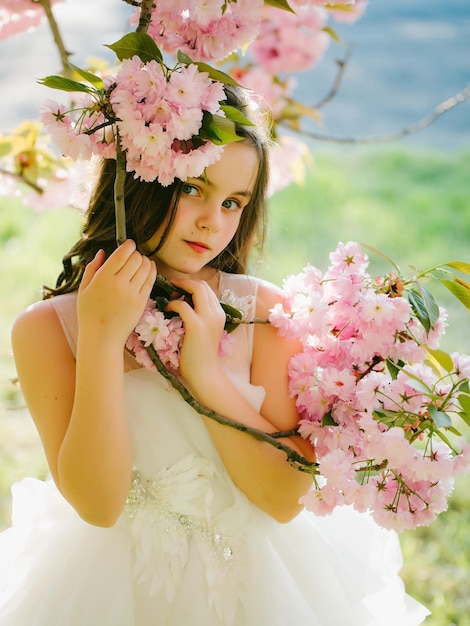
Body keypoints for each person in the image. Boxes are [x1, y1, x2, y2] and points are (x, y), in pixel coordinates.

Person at [0, 85, 429, 625]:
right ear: (138, 178)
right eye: (193, 189)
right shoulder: (49, 330)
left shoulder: (264, 314)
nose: (213, 221)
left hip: (260, 584)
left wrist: (206, 375)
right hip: (115, 586)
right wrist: (104, 340)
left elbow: (279, 497)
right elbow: (98, 506)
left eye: (233, 203)